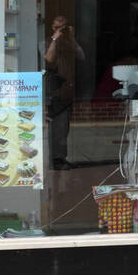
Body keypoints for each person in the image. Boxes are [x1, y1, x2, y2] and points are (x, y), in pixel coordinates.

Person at [44, 14, 84, 169]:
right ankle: (51, 159)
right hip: (51, 90)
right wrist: (55, 39)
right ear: (51, 27)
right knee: (52, 128)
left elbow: (82, 57)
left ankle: (60, 158)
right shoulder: (46, 41)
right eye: (56, 27)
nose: (60, 31)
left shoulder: (69, 43)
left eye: (63, 27)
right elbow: (48, 61)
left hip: (66, 90)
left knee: (63, 128)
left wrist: (72, 38)